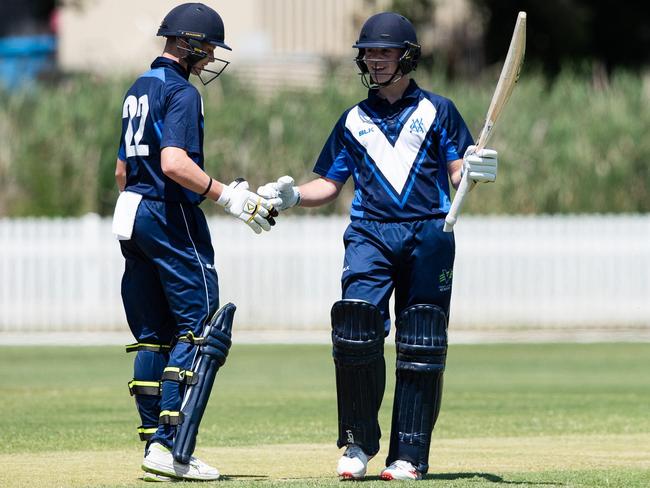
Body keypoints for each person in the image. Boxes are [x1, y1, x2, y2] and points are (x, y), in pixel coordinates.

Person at [257, 12, 498, 481]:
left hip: (429, 232)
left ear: (406, 56)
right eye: (369, 52)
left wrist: (475, 168)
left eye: (385, 51)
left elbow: (457, 173)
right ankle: (357, 443)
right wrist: (290, 196)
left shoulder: (438, 111)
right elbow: (328, 184)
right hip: (369, 232)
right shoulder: (353, 119)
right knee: (355, 329)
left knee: (421, 342)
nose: (375, 59)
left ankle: (409, 455)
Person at [113, 3, 278, 482]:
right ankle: (172, 448)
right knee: (200, 326)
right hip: (167, 213)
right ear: (188, 44)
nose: (209, 58)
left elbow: (123, 171)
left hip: (133, 213)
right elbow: (174, 163)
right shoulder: (181, 91)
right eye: (206, 48)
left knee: (152, 333)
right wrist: (230, 198)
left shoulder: (136, 88)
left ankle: (153, 444)